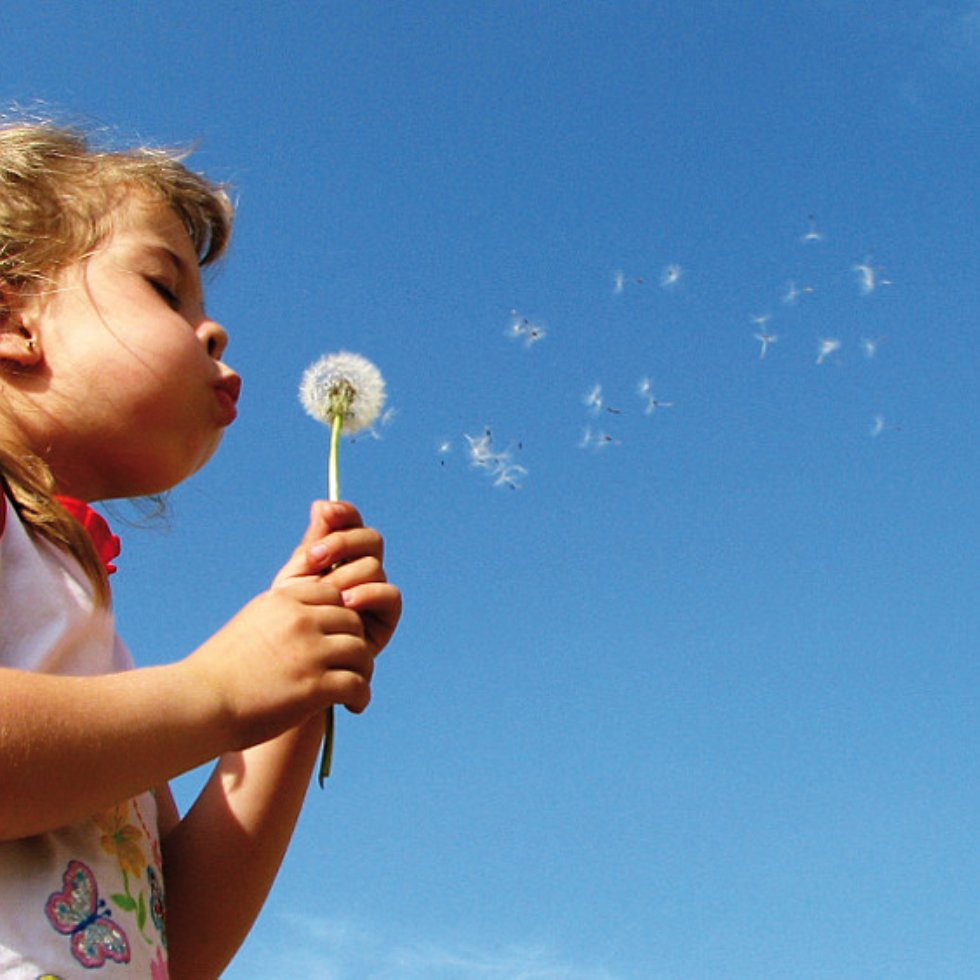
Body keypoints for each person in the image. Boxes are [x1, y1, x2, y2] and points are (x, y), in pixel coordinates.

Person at [0, 121, 402, 978]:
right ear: (10, 318)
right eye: (164, 287)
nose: (215, 334)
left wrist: (289, 697)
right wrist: (216, 690)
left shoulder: (90, 647)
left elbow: (176, 938)